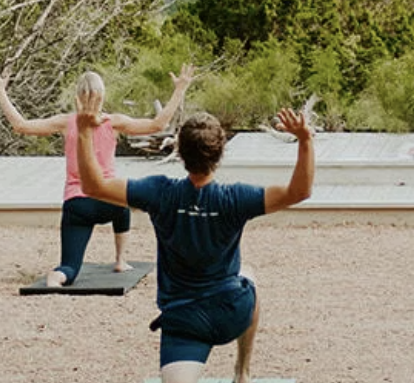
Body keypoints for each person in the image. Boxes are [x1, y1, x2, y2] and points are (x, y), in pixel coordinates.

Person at [76, 97, 315, 383]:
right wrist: (305, 140)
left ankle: (241, 371)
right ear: (221, 153)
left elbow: (92, 186)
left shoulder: (159, 192)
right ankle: (242, 371)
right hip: (231, 312)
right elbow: (299, 192)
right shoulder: (235, 198)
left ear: (179, 151)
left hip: (183, 322)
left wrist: (83, 131)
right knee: (248, 279)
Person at [0, 62, 194, 286]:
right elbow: (158, 124)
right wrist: (180, 89)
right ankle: (121, 260)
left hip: (76, 204)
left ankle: (57, 277)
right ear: (101, 96)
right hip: (108, 201)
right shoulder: (113, 122)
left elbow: (21, 125)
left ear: (78, 96)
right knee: (123, 206)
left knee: (70, 267)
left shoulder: (66, 122)